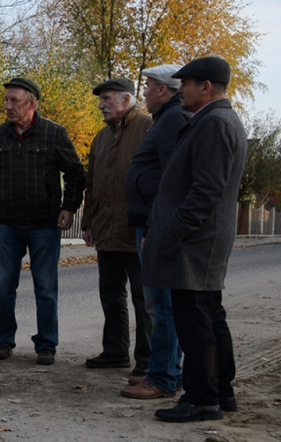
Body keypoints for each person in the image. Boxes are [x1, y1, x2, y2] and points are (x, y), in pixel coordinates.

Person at [142, 56, 247, 422]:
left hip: (195, 243)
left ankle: (202, 398)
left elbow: (206, 192)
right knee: (209, 316)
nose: (179, 90)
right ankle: (221, 391)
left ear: (206, 87)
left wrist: (169, 233)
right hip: (200, 240)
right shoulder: (213, 120)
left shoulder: (215, 123)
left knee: (196, 321)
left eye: (185, 84)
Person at [0, 77, 86, 365]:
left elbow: (76, 173)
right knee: (2, 286)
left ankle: (46, 345)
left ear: (32, 103)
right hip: (9, 224)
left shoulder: (53, 134)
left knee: (46, 288)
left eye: (15, 101)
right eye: (7, 100)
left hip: (44, 225)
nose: (8, 106)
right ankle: (3, 340)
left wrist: (69, 207)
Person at [120, 65, 191, 400]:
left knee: (160, 304)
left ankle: (163, 377)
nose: (144, 92)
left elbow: (170, 179)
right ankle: (167, 371)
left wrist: (153, 226)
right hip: (151, 221)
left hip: (156, 224)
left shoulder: (173, 119)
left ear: (164, 89)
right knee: (158, 303)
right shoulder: (167, 118)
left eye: (148, 86)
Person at [81, 78, 152, 377]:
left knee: (143, 298)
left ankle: (148, 360)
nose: (101, 105)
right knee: (110, 294)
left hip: (138, 230)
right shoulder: (100, 137)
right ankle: (115, 351)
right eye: (100, 100)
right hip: (106, 230)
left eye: (107, 99)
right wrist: (88, 222)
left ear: (126, 99)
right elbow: (92, 182)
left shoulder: (149, 128)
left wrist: (152, 226)